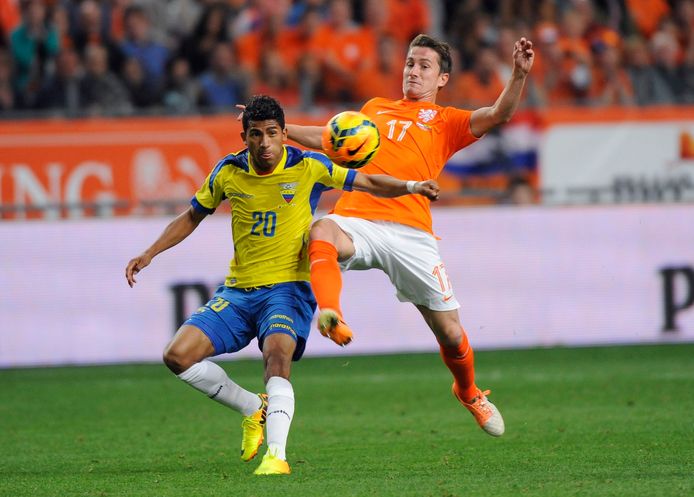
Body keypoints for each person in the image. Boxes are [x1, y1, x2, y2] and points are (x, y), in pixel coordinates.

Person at [124, 95, 439, 476]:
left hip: (289, 289)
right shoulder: (227, 172)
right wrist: (150, 252)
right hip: (238, 292)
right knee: (177, 356)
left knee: (276, 358)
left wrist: (411, 185)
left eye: (272, 133)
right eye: (255, 135)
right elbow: (192, 215)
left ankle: (277, 455)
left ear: (285, 134)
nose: (264, 143)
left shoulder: (309, 166)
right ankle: (251, 408)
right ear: (244, 137)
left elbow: (367, 181)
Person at [286, 34, 535, 438]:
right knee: (321, 229)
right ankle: (330, 312)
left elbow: (497, 113)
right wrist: (282, 130)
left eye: (423, 66)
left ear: (442, 79)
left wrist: (519, 76)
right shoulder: (374, 110)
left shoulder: (447, 121)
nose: (413, 72)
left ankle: (469, 392)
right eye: (409, 63)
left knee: (452, 335)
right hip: (359, 218)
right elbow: (327, 136)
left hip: (412, 233)